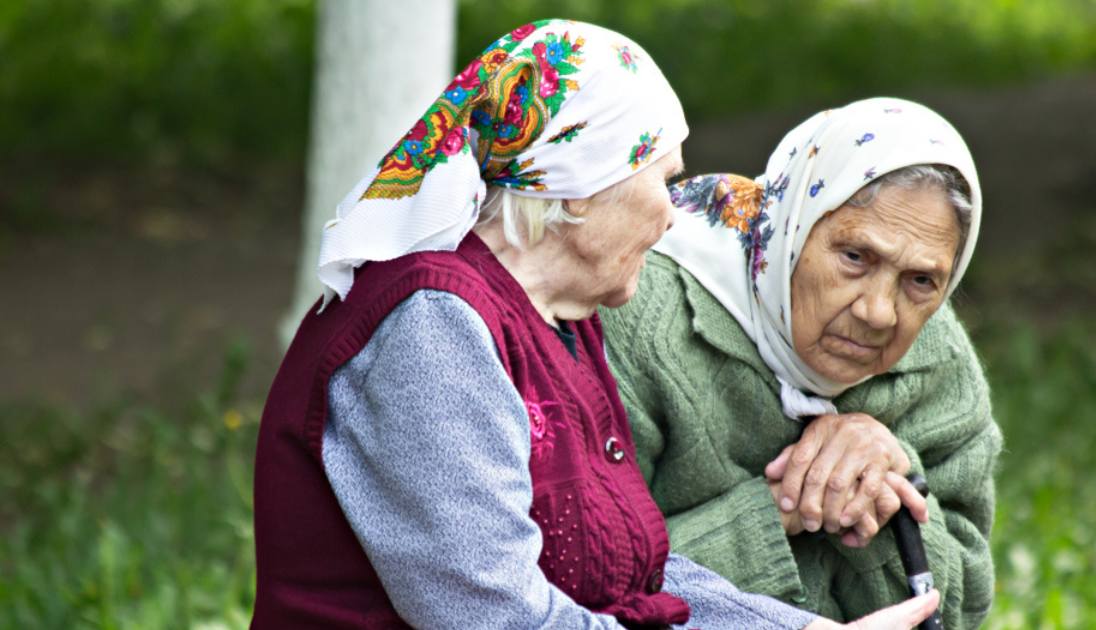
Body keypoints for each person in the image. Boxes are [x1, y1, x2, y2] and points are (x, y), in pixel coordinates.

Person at [251, 21, 942, 630]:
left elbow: (632, 578)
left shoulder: (561, 321)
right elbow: (498, 617)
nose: (674, 214)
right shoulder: (430, 327)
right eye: (661, 179)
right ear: (581, 187)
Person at [599, 98, 1002, 630]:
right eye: (856, 257)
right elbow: (584, 584)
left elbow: (963, 610)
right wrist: (781, 509)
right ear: (792, 226)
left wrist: (886, 479)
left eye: (921, 281)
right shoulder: (638, 315)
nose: (879, 312)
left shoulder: (938, 355)